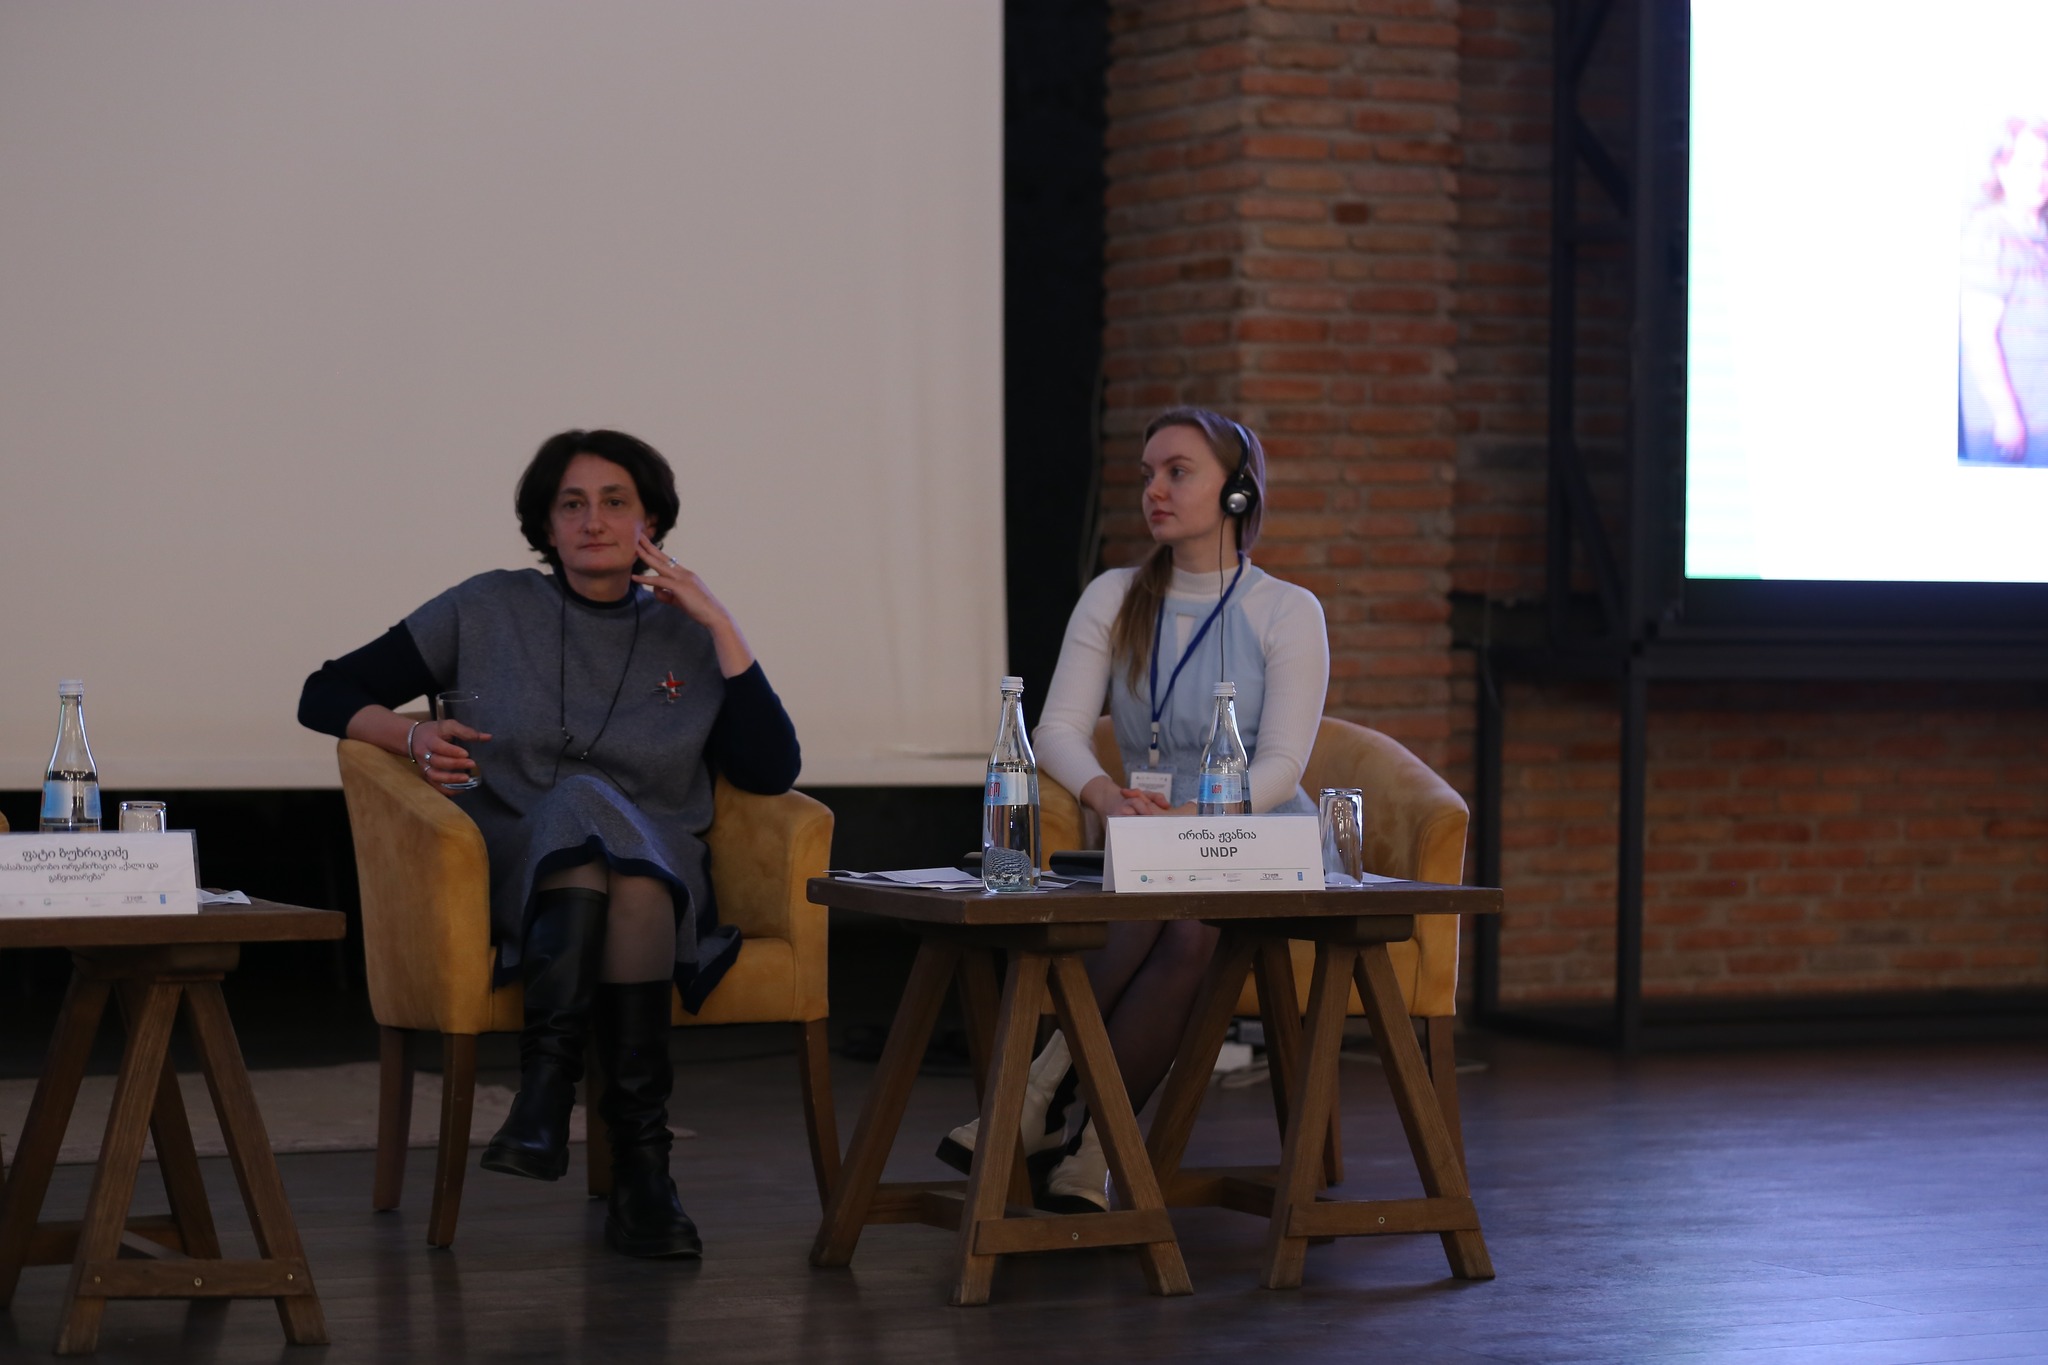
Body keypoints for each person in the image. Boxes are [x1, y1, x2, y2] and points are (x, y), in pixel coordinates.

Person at [298, 429, 799, 1259]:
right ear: (546, 523)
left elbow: (771, 770)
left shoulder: (687, 634)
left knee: (620, 855)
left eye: (615, 502)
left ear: (650, 522)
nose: (593, 520)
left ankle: (546, 1098)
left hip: (659, 869)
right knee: (580, 802)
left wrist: (720, 622)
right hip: (520, 869)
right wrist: (410, 736)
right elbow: (325, 691)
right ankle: (642, 1173)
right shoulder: (486, 607)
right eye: (572, 504)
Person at [937, 406, 1329, 1211]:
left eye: (1177, 472)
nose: (1154, 489)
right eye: (1148, 473)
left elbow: (1284, 764)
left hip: (1254, 836)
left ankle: (1048, 1107)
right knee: (1173, 907)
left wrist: (1192, 818)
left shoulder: (1287, 610)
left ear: (1237, 492)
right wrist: (1106, 795)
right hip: (1148, 835)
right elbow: (1057, 728)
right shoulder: (1114, 595)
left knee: (1189, 915)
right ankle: (1086, 1140)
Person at [1961, 118, 2048, 466]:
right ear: (2002, 170)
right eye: (2027, 165)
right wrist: (2006, 417)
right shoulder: (1990, 232)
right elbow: (1978, 335)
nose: (2040, 176)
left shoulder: (2040, 233)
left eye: (2046, 165)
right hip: (2014, 428)